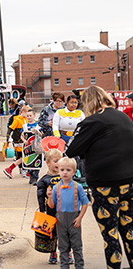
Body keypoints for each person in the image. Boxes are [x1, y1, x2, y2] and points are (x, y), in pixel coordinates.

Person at [66, 85, 133, 269]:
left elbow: (70, 149)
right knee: (129, 231)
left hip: (105, 185)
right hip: (129, 182)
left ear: (88, 102)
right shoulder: (123, 117)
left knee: (110, 234)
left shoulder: (91, 122)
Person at [47, 157, 89, 269]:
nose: (65, 172)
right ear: (59, 171)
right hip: (60, 220)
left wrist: (80, 218)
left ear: (74, 172)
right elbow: (52, 205)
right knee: (63, 246)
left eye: (68, 170)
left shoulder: (78, 187)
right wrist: (50, 197)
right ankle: (64, 266)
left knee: (77, 246)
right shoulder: (56, 188)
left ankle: (79, 266)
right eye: (62, 170)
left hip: (74, 219)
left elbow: (85, 203)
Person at [37, 148, 63, 264]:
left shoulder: (65, 177)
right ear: (47, 163)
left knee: (65, 232)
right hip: (51, 210)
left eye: (61, 161)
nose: (59, 163)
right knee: (52, 232)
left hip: (65, 210)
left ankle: (67, 252)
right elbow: (40, 196)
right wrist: (42, 210)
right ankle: (53, 251)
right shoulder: (44, 180)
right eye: (55, 161)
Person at [3, 105, 31, 179]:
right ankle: (15, 169)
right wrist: (7, 137)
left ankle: (23, 170)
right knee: (22, 156)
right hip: (18, 141)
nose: (28, 116)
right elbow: (11, 128)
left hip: (25, 141)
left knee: (23, 156)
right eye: (27, 114)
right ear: (23, 112)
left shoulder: (26, 120)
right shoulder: (17, 119)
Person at [20, 109, 43, 185]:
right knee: (28, 163)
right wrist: (24, 141)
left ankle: (35, 178)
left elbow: (41, 135)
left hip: (36, 147)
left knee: (37, 163)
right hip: (28, 147)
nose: (29, 117)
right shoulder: (24, 126)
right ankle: (31, 176)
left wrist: (37, 132)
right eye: (27, 116)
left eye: (30, 115)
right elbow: (22, 135)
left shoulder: (38, 126)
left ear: (34, 116)